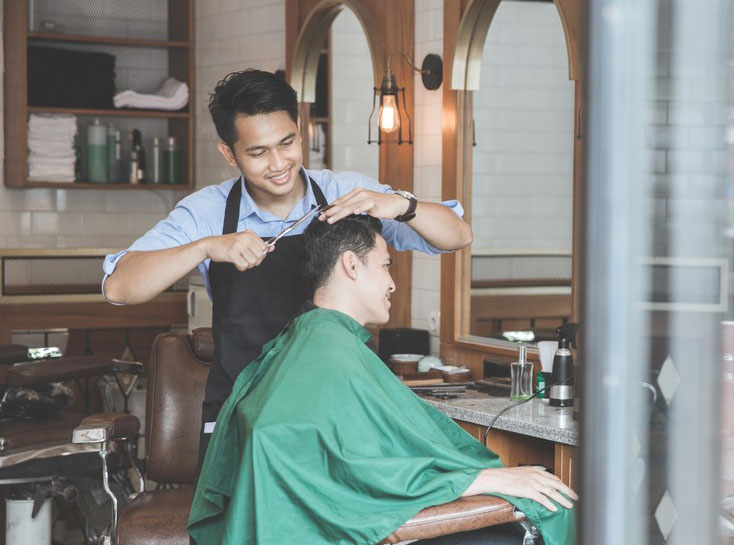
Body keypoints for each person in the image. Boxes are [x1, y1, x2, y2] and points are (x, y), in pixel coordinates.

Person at [101, 69, 473, 465]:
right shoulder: (206, 212)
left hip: (335, 415)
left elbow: (457, 236)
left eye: (287, 143)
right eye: (258, 152)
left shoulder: (343, 192)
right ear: (229, 153)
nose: (279, 164)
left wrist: (401, 205)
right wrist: (206, 247)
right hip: (245, 420)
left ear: (299, 129)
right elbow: (119, 287)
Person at [188, 215, 576, 545]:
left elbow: (346, 453)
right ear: (351, 266)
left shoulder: (319, 340)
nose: (392, 284)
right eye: (386, 265)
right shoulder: (326, 348)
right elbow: (287, 440)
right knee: (553, 505)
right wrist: (478, 478)